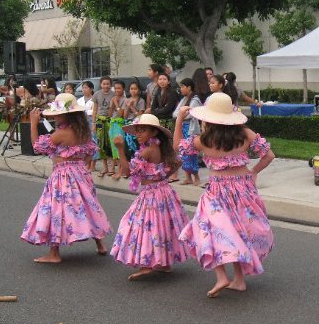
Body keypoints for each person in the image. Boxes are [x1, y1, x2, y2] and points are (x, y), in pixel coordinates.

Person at [174, 92, 275, 297]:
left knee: (209, 230)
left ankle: (222, 276)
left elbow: (178, 147)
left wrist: (178, 121)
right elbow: (269, 155)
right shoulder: (245, 134)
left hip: (217, 191)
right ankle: (238, 280)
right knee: (238, 232)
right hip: (242, 189)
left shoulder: (204, 139)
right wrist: (254, 172)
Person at [20, 93, 112, 264]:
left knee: (56, 210)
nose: (54, 116)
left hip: (64, 175)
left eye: (57, 113)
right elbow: (90, 153)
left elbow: (37, 146)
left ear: (67, 115)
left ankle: (54, 253)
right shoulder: (83, 131)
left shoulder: (62, 133)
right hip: (81, 173)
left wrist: (33, 124)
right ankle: (100, 244)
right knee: (86, 206)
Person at [111, 114, 191, 280]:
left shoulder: (147, 151)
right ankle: (164, 263)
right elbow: (175, 164)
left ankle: (147, 264)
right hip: (165, 192)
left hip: (151, 195)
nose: (139, 134)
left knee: (144, 226)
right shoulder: (161, 148)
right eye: (137, 130)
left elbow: (126, 171)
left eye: (143, 130)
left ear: (154, 133)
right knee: (162, 226)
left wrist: (119, 149)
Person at [173, 78, 202, 185]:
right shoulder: (184, 99)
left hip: (190, 130)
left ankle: (196, 177)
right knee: (183, 153)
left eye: (182, 86)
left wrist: (181, 115)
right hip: (182, 127)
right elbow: (176, 113)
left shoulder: (195, 100)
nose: (181, 89)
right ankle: (188, 177)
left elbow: (191, 114)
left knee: (191, 153)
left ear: (189, 87)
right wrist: (181, 115)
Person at [92, 76, 115, 177]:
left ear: (111, 84)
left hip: (110, 121)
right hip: (100, 121)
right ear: (101, 84)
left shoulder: (114, 95)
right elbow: (94, 110)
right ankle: (104, 167)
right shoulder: (97, 94)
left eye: (108, 84)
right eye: (104, 84)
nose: (106, 86)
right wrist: (93, 123)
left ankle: (111, 167)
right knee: (101, 145)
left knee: (110, 144)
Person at [108, 80, 129, 179]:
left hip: (119, 124)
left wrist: (116, 104)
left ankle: (121, 170)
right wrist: (112, 105)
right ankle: (118, 169)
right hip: (112, 123)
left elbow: (122, 115)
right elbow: (109, 114)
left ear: (123, 89)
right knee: (113, 147)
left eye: (119, 88)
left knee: (119, 146)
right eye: (115, 88)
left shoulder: (125, 100)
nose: (117, 90)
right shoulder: (113, 99)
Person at [77, 80, 96, 172]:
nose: (84, 90)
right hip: (82, 122)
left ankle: (92, 164)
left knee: (92, 142)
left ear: (91, 89)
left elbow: (94, 111)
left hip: (91, 120)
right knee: (83, 142)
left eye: (86, 87)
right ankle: (85, 163)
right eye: (83, 88)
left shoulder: (94, 99)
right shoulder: (79, 100)